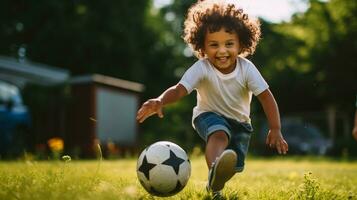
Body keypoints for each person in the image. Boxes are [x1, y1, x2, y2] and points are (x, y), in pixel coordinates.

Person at [137, 0, 288, 197]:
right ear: (202, 46)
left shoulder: (247, 69)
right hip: (207, 116)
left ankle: (215, 185)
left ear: (241, 43)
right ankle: (214, 168)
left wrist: (275, 128)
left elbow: (266, 97)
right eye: (214, 45)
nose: (222, 50)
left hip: (241, 124)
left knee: (234, 164)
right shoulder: (202, 68)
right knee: (219, 134)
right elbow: (180, 89)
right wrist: (160, 100)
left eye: (229, 44)